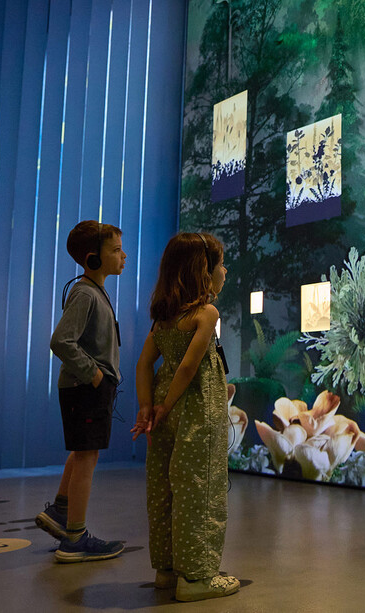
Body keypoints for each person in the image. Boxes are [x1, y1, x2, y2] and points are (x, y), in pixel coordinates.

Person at [132, 232, 239, 602]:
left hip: (164, 413)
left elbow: (144, 364)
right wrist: (169, 404)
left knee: (164, 488)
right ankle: (196, 578)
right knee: (200, 488)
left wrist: (149, 407)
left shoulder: (163, 318)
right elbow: (190, 366)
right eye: (220, 264)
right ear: (203, 272)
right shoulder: (206, 313)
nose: (224, 271)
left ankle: (167, 570)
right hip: (195, 410)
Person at [36, 219, 127, 563]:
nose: (123, 256)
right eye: (116, 250)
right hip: (86, 389)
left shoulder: (93, 291)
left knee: (82, 451)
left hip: (92, 389)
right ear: (92, 259)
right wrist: (95, 377)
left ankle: (61, 511)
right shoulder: (85, 292)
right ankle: (74, 538)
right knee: (87, 457)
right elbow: (61, 341)